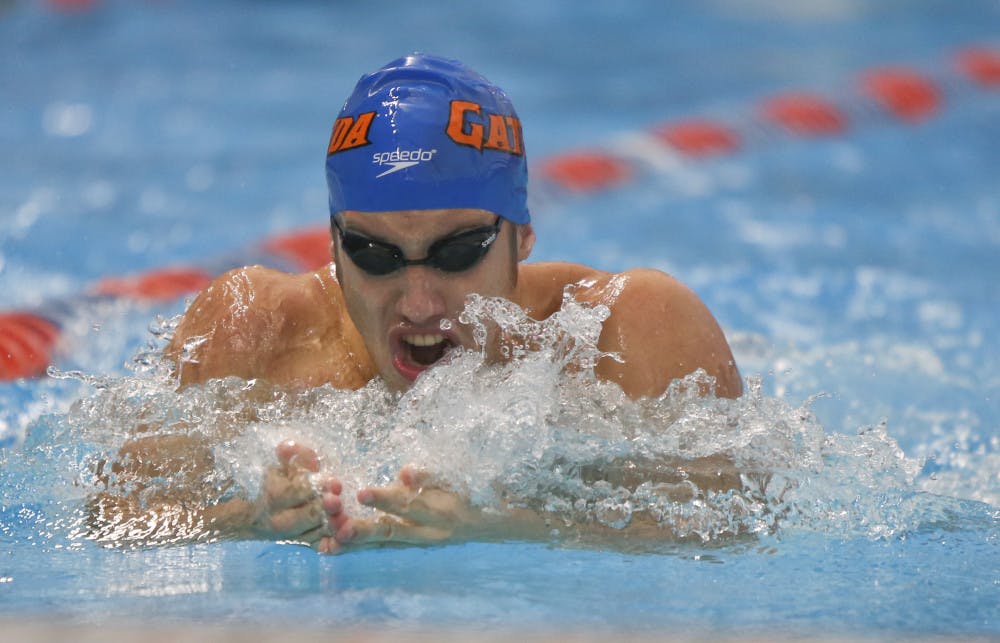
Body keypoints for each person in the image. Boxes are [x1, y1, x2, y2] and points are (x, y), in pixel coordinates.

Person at [89, 54, 742, 553]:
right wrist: (251, 521)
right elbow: (109, 520)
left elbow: (736, 526)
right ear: (333, 245)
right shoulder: (252, 329)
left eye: (457, 252)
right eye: (375, 256)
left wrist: (496, 525)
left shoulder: (623, 330)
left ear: (522, 235)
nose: (421, 303)